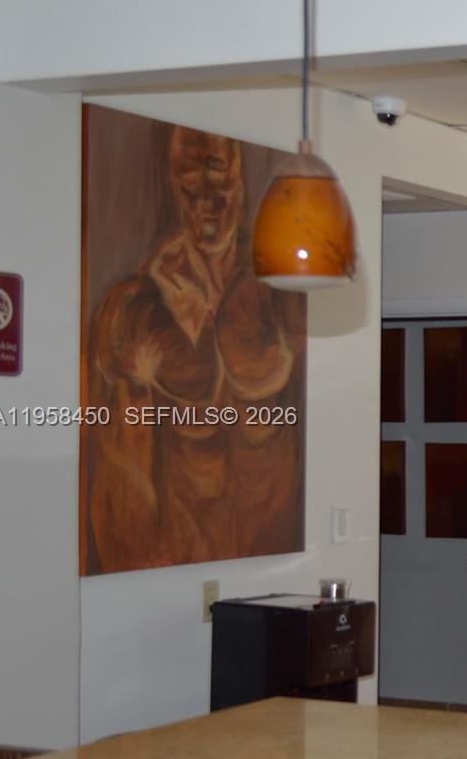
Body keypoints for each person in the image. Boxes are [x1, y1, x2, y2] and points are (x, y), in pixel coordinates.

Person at [84, 123, 305, 574]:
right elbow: (120, 470)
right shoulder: (135, 310)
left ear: (240, 183)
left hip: (274, 566)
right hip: (178, 562)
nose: (205, 201)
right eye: (190, 186)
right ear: (172, 184)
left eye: (218, 181)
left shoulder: (280, 293)